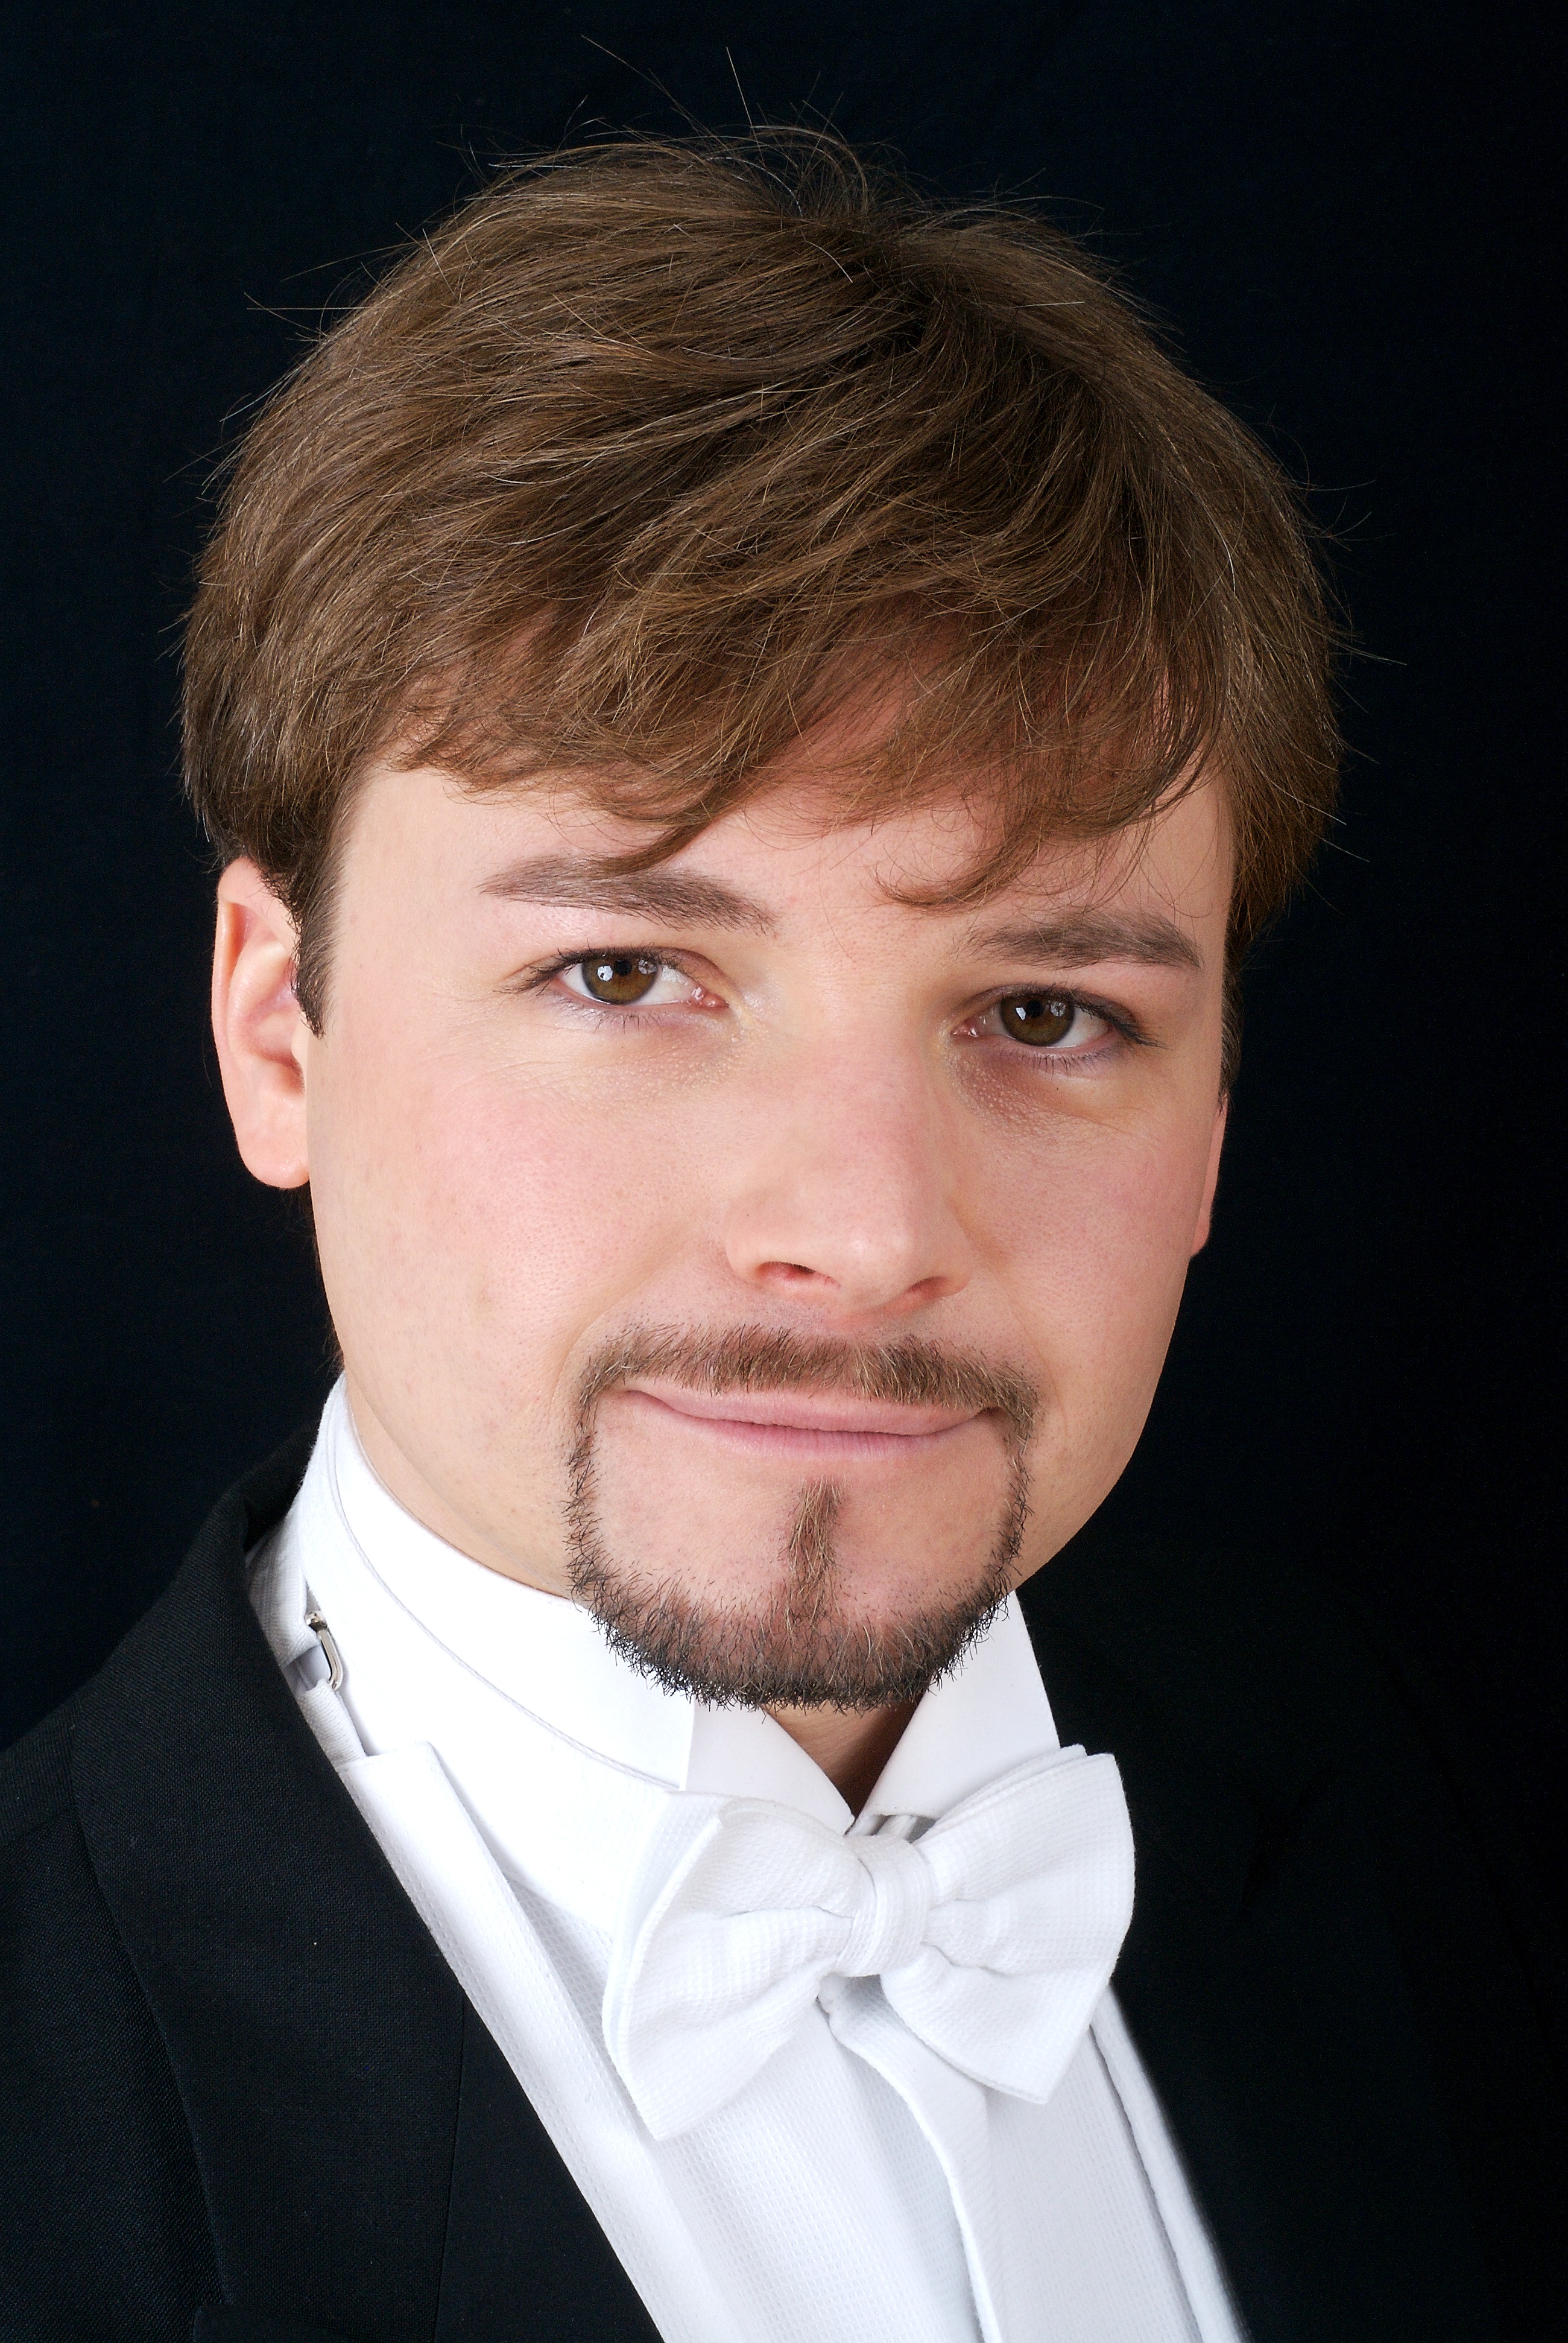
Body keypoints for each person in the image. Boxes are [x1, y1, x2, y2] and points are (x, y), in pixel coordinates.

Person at [1, 133, 1560, 2343]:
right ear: (281, 1034)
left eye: (1046, 1012)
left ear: (1216, 1120)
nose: (862, 1226)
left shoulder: (1355, 1754)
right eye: (626, 973)